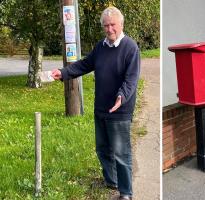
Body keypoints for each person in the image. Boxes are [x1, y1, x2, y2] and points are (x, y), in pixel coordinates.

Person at [52, 6, 140, 200]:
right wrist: (63, 73)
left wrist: (121, 96)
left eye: (113, 25)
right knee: (102, 149)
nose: (109, 29)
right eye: (106, 26)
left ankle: (125, 193)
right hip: (101, 108)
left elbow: (131, 80)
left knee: (120, 153)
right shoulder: (101, 47)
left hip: (119, 110)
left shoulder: (130, 48)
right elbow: (85, 64)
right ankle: (111, 181)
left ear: (121, 24)